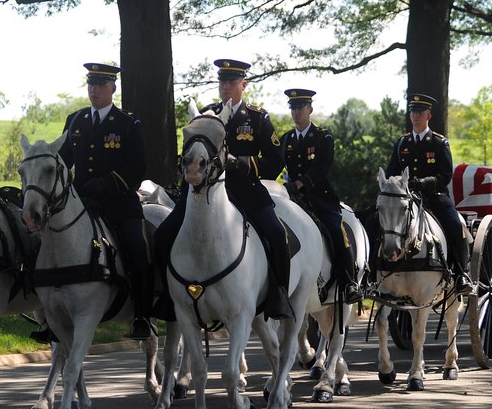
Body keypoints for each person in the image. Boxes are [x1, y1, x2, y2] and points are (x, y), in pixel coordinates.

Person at [153, 59, 293, 321]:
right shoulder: (208, 115)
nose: (225, 86)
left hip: (245, 191)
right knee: (162, 237)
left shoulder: (256, 117)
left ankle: (278, 295)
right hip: (204, 194)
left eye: (231, 81)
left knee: (277, 234)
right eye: (222, 81)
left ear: (243, 84)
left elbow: (275, 160)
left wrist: (243, 164)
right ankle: (168, 297)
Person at [57, 63, 151, 340]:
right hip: (81, 203)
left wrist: (107, 183)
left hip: (119, 204)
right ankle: (48, 310)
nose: (94, 89)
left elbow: (138, 167)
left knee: (138, 247)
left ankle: (142, 316)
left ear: (113, 88)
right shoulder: (75, 121)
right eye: (91, 83)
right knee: (47, 241)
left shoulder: (127, 123)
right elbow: (62, 162)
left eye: (100, 84)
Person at [280, 88, 362, 304]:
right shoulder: (286, 139)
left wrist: (300, 183)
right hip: (291, 198)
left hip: (319, 197)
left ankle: (349, 281)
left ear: (310, 109)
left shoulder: (322, 137)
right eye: (293, 108)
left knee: (337, 229)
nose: (296, 112)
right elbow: (275, 166)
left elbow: (322, 166)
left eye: (300, 108)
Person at [384, 93, 471, 294]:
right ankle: (373, 273)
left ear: (428, 115)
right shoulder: (402, 143)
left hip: (434, 197)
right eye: (413, 111)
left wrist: (424, 183)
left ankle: (461, 273)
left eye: (420, 112)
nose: (415, 115)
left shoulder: (439, 143)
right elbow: (390, 173)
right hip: (405, 198)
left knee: (456, 225)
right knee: (379, 222)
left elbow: (445, 175)